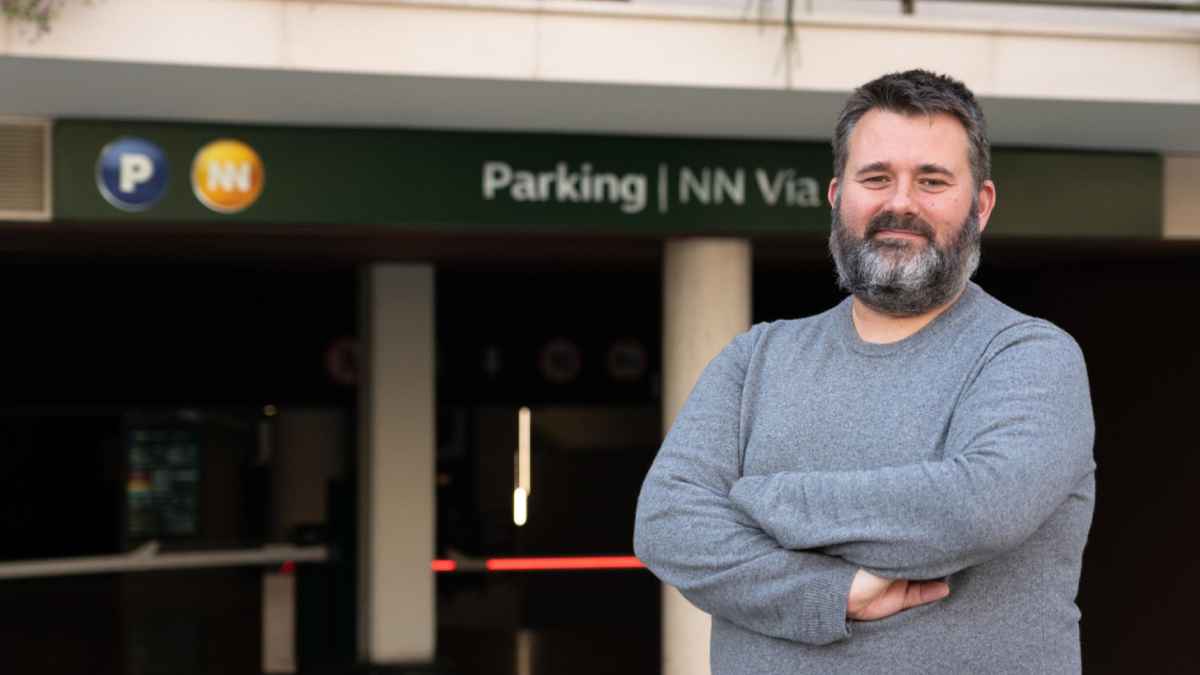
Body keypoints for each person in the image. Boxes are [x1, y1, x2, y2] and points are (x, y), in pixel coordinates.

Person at [633, 69, 1096, 674]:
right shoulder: (756, 359)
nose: (899, 202)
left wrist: (763, 501)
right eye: (876, 178)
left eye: (931, 181)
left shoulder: (1030, 356)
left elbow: (977, 508)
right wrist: (828, 594)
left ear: (980, 205)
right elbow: (666, 521)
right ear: (837, 197)